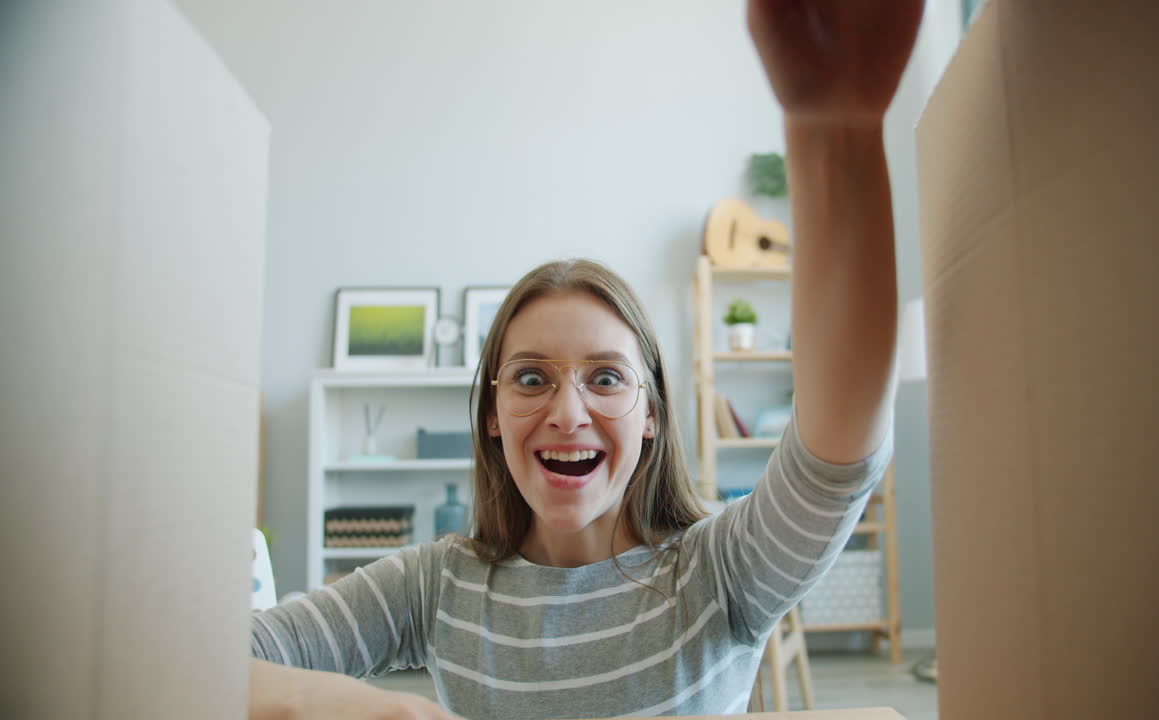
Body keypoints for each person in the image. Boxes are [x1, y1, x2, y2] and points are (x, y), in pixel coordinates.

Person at [249, 2, 923, 718]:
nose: (568, 414)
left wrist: (835, 125)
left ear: (653, 414)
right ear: (491, 416)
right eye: (533, 378)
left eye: (605, 378)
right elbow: (217, 659)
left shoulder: (721, 571)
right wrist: (384, 711)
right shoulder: (433, 587)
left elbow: (835, 460)